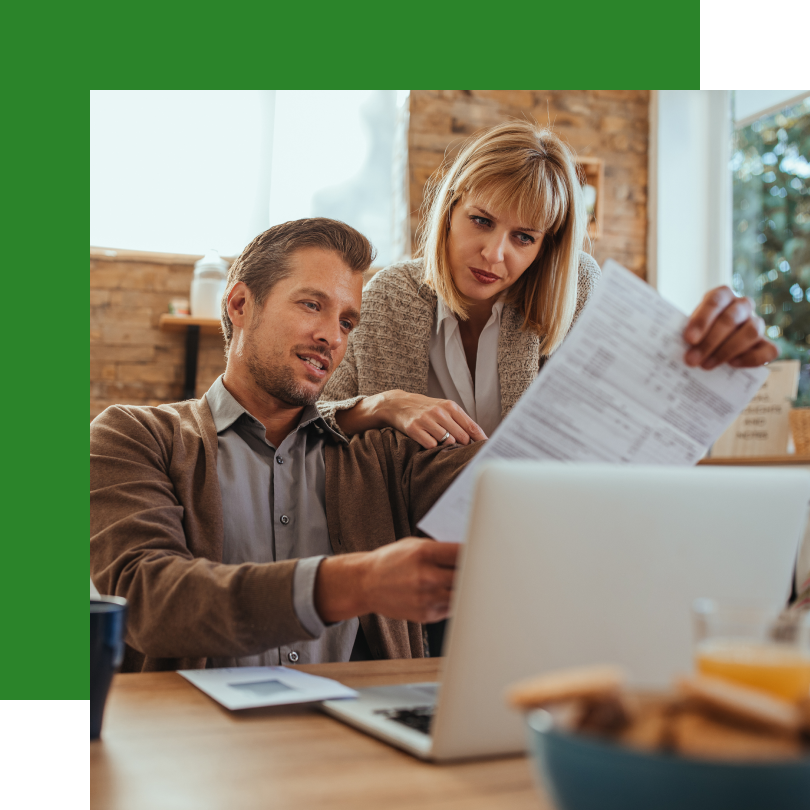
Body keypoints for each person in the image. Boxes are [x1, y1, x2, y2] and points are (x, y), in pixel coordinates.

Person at [90, 219, 483, 673]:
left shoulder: (384, 456)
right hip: (196, 735)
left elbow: (506, 487)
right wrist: (356, 583)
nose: (332, 337)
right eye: (312, 305)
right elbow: (149, 599)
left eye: (347, 321)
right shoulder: (133, 437)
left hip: (356, 731)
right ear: (239, 304)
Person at [319, 121, 778, 448]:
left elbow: (640, 406)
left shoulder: (577, 290)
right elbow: (305, 425)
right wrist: (382, 404)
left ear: (545, 246)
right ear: (450, 212)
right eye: (481, 221)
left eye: (524, 237)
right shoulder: (386, 297)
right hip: (404, 545)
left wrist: (716, 354)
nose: (495, 254)